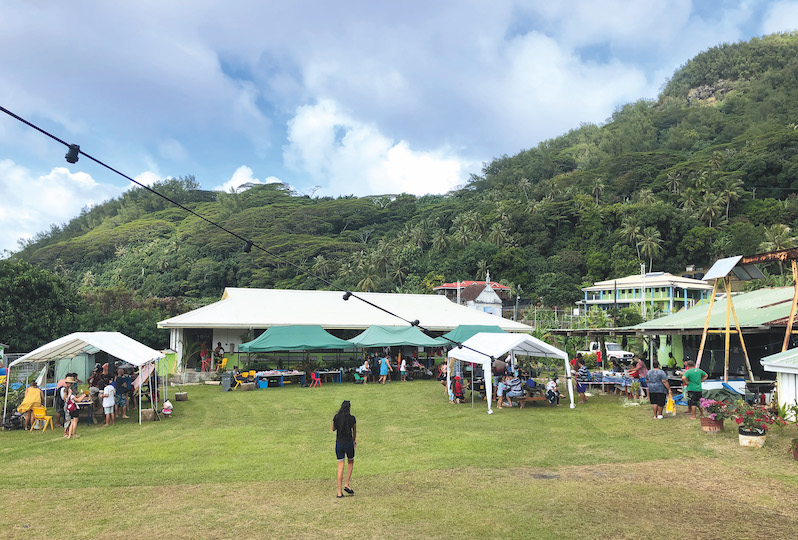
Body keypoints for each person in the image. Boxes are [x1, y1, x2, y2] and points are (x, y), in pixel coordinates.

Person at [332, 400, 356, 498]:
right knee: (350, 462)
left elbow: (333, 428)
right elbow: (354, 431)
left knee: (340, 466)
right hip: (349, 443)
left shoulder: (336, 417)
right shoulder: (352, 418)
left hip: (339, 444)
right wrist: (354, 441)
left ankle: (339, 492)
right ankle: (346, 483)